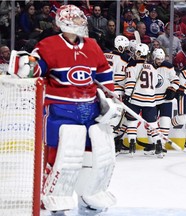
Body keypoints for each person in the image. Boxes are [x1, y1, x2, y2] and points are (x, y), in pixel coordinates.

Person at [10, 4, 120, 214]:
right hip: (61, 108)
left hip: (90, 108)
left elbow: (104, 72)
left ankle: (89, 195)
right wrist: (28, 66)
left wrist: (109, 97)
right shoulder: (48, 45)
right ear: (66, 23)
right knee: (63, 154)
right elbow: (35, 69)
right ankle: (53, 197)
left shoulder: (92, 45)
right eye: (78, 19)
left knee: (95, 153)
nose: (82, 22)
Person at [124, 43, 165, 158]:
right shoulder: (152, 67)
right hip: (150, 100)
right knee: (153, 124)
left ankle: (132, 146)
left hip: (135, 99)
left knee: (131, 121)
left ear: (137, 53)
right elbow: (156, 83)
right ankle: (158, 146)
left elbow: (130, 82)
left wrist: (127, 96)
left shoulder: (131, 65)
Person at [138, 48, 180, 155]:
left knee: (165, 121)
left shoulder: (168, 66)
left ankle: (162, 144)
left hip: (165, 99)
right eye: (158, 59)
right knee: (151, 123)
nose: (160, 61)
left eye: (161, 59)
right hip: (151, 100)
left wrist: (172, 88)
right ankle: (152, 144)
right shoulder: (147, 66)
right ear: (153, 58)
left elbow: (175, 80)